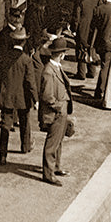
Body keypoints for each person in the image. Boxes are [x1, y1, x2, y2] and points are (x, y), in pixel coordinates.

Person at [0, 25, 35, 165]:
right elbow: (30, 81)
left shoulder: (4, 58)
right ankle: (25, 146)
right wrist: (34, 98)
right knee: (24, 121)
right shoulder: (26, 60)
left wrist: (2, 87)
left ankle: (3, 155)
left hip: (7, 97)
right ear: (23, 42)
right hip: (22, 97)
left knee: (5, 125)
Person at [37, 37, 73, 186]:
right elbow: (47, 96)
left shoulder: (55, 68)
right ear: (62, 54)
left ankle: (56, 167)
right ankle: (48, 174)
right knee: (52, 144)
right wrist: (58, 107)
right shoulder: (49, 71)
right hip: (55, 113)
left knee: (58, 141)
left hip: (61, 112)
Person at [71, 0, 100, 80]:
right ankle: (92, 71)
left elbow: (76, 17)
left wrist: (74, 29)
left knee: (81, 49)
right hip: (94, 26)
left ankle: (81, 73)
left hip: (82, 27)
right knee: (91, 47)